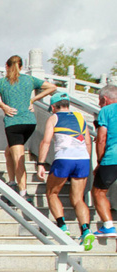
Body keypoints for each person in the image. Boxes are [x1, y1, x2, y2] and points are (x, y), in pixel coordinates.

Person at [0, 55, 56, 203]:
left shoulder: (3, 82)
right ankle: (11, 183)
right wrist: (33, 99)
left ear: (6, 66)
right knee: (9, 152)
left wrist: (3, 106)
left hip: (14, 123)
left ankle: (23, 192)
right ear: (21, 67)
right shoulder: (29, 80)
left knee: (18, 158)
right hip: (29, 122)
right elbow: (52, 87)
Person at [36, 91, 95, 250]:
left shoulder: (54, 118)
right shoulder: (80, 117)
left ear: (53, 107)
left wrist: (41, 163)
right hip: (82, 159)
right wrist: (86, 161)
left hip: (64, 158)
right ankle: (86, 230)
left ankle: (62, 226)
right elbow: (88, 143)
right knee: (78, 198)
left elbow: (46, 141)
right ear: (68, 104)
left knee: (52, 192)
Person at [92, 84, 117, 238]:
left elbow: (101, 139)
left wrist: (100, 161)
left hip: (112, 157)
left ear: (104, 99)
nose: (100, 105)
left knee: (99, 192)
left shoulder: (106, 111)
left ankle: (108, 225)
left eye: (100, 102)